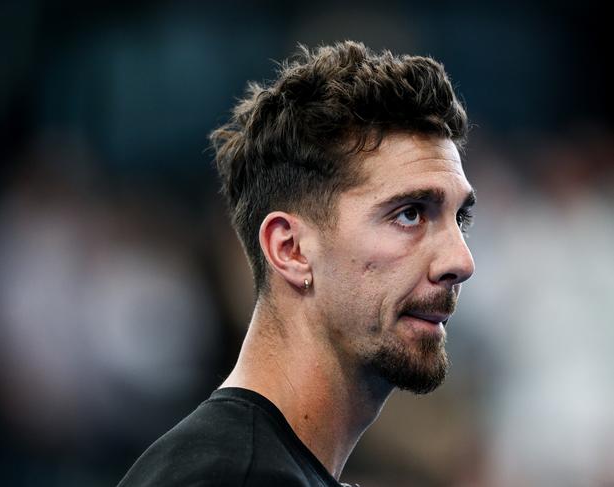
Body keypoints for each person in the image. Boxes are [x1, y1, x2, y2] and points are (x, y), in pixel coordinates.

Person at [117, 40, 476, 487]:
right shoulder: (232, 478)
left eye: (460, 217)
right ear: (290, 249)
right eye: (410, 213)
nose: (461, 261)